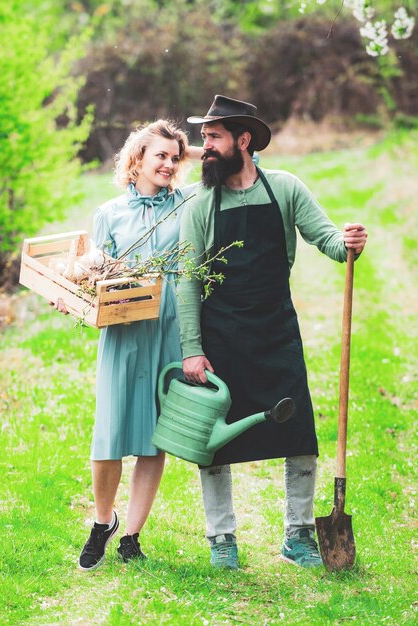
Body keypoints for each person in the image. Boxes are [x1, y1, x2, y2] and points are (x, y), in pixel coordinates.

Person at [177, 95, 368, 570]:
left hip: (276, 330)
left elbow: (326, 240)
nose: (206, 146)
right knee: (213, 441)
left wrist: (348, 246)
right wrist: (192, 350)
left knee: (298, 433)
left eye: (214, 137)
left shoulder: (284, 189)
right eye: (204, 138)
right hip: (220, 334)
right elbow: (188, 281)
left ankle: (298, 535)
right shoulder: (200, 206)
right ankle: (222, 538)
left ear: (243, 141)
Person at [56, 120, 196, 571]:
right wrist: (75, 295)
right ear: (136, 159)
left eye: (175, 158)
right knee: (110, 435)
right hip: (124, 328)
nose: (170, 164)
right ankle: (103, 521)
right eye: (161, 155)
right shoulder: (110, 212)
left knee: (154, 439)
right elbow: (97, 275)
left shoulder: (188, 205)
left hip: (170, 329)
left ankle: (132, 535)